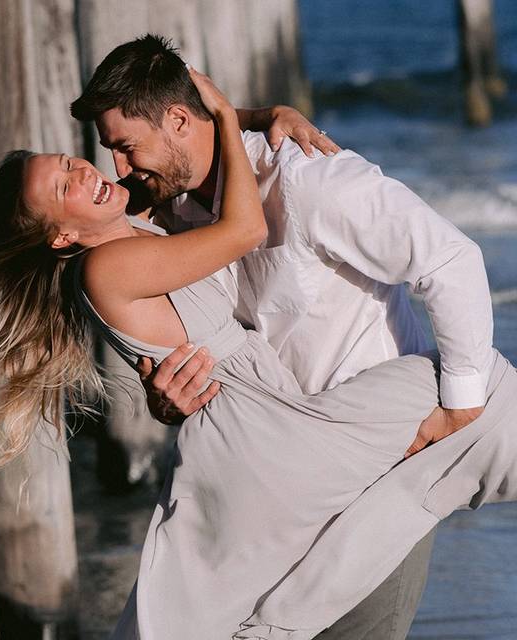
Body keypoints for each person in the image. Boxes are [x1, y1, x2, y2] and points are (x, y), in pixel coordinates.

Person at [70, 35, 494, 639]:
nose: (119, 168)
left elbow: (450, 259)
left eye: (125, 147)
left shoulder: (308, 180)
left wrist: (460, 410)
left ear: (178, 119)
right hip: (271, 491)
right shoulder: (168, 209)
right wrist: (165, 398)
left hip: (374, 473)